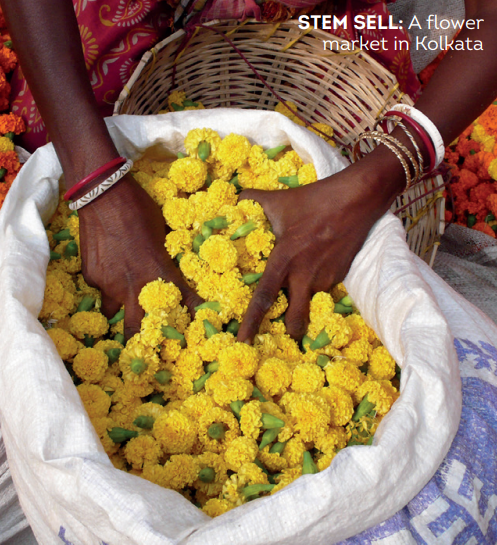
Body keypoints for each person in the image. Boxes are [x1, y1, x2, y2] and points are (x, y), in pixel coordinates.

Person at [1, 0, 497, 543]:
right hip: (131, 23)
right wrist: (95, 180)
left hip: (318, 42)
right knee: (59, 109)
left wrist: (383, 170)